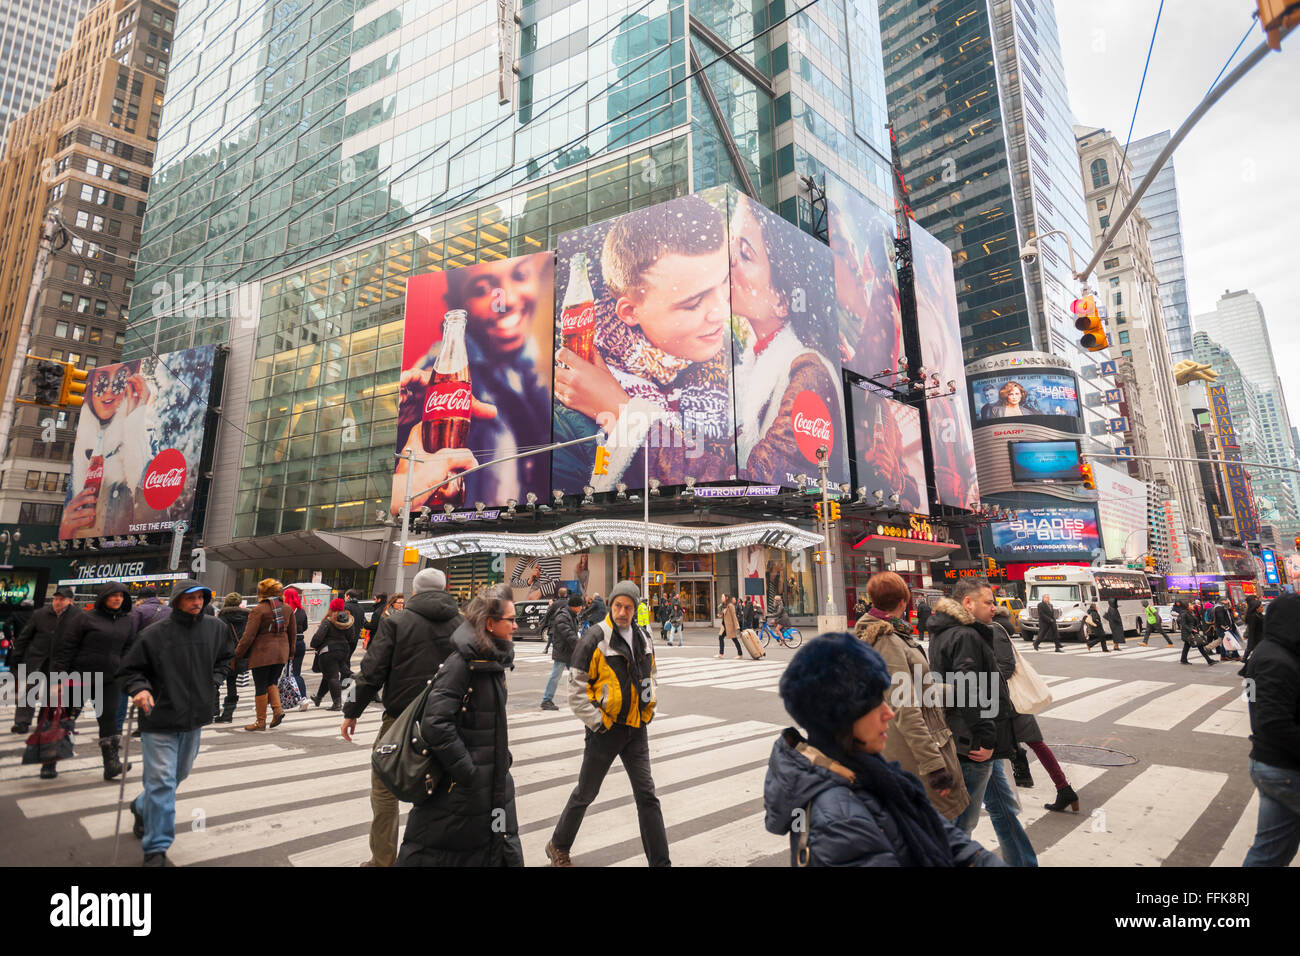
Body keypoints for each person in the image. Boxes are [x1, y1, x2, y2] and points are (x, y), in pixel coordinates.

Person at [764, 632, 1003, 867]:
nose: (888, 713)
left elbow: (948, 839)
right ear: (841, 716)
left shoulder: (871, 774)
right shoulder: (840, 820)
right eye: (874, 703)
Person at [553, 195, 735, 491]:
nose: (722, 312)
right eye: (693, 303)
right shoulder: (571, 404)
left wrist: (624, 414)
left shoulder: (743, 367)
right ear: (630, 312)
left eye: (724, 284)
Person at [394, 255, 551, 509]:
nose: (507, 301)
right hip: (463, 523)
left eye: (520, 276)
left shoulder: (525, 369)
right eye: (481, 289)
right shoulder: (436, 379)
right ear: (456, 304)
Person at [342, 567, 462, 867]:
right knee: (442, 789)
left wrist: (351, 712)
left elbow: (371, 672)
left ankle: (383, 859)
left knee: (384, 786)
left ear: (415, 591)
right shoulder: (462, 624)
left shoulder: (397, 621)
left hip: (400, 722)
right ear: (445, 589)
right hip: (449, 723)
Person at [397, 584, 522, 866]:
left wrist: (500, 758)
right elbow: (436, 722)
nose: (516, 625)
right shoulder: (463, 664)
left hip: (490, 783)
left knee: (497, 844)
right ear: (490, 623)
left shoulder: (490, 661)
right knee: (453, 852)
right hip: (466, 789)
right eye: (511, 619)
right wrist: (468, 770)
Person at [547, 580, 668, 867]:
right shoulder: (594, 637)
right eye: (618, 606)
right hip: (605, 731)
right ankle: (558, 845)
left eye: (628, 606)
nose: (622, 612)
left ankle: (661, 863)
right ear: (611, 605)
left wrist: (648, 708)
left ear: (635, 607)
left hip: (636, 729)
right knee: (586, 792)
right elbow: (576, 690)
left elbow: (650, 676)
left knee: (647, 796)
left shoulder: (643, 637)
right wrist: (598, 723)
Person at [727, 191, 843, 483]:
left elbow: (761, 477)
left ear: (782, 301)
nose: (729, 261)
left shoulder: (808, 375)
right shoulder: (745, 367)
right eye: (730, 245)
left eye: (744, 254)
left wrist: (638, 425)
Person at [118, 579, 235, 866]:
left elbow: (226, 658)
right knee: (161, 781)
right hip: (159, 719)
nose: (196, 603)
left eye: (201, 598)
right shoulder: (154, 634)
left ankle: (142, 806)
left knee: (177, 777)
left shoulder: (216, 628)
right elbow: (130, 671)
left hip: (194, 719)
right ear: (176, 600)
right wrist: (139, 689)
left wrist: (214, 680)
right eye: (190, 598)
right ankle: (156, 849)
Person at [927, 578, 1038, 867]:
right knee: (961, 823)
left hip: (974, 737)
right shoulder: (966, 635)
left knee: (1004, 808)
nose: (994, 607)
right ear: (968, 603)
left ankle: (1024, 863)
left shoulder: (948, 631)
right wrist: (987, 737)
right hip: (974, 742)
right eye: (988, 602)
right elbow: (967, 689)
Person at [854, 572, 969, 822]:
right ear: (903, 602)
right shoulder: (887, 639)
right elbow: (904, 704)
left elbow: (912, 687)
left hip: (904, 747)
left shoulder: (892, 635)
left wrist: (955, 691)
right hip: (911, 755)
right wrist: (934, 765)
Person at [991, 607, 1080, 814]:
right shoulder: (996, 627)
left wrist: (986, 684)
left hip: (1009, 700)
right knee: (1033, 744)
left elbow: (1006, 666)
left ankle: (1061, 788)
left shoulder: (993, 630)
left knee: (1002, 746)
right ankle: (1063, 788)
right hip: (1007, 699)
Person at [53, 581, 138, 780]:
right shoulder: (85, 618)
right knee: (67, 718)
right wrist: (59, 677)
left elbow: (129, 646)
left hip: (109, 680)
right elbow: (67, 648)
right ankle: (50, 760)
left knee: (108, 720)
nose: (118, 599)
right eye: (113, 595)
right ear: (104, 597)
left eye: (121, 596)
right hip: (80, 677)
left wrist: (122, 665)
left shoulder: (127, 621)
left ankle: (111, 764)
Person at [1242, 593, 1300, 866]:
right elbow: (1272, 722)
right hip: (1282, 767)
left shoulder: (1270, 652)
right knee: (1270, 851)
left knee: (1272, 848)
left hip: (1271, 764)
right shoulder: (1276, 660)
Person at [10, 588, 81, 739]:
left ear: (70, 601)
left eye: (62, 599)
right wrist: (17, 656)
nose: (57, 602)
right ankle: (22, 722)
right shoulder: (40, 614)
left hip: (60, 661)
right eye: (56, 599)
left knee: (52, 693)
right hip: (37, 658)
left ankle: (45, 722)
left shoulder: (77, 617)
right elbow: (25, 636)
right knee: (29, 690)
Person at [230, 578, 297, 731]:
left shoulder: (259, 609)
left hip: (263, 654)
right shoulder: (287, 609)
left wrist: (237, 656)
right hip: (281, 653)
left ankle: (260, 722)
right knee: (272, 681)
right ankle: (278, 710)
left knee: (260, 685)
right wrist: (291, 654)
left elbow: (248, 637)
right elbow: (293, 634)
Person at [308, 598, 354, 711]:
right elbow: (352, 637)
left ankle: (337, 703)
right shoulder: (349, 621)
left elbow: (318, 638)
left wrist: (313, 644)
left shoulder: (328, 621)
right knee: (329, 674)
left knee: (332, 676)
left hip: (328, 651)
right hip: (344, 650)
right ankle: (318, 698)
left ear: (331, 608)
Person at [541, 593, 582, 711]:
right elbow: (569, 634)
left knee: (577, 675)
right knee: (556, 676)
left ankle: (581, 698)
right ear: (574, 606)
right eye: (580, 606)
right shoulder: (563, 616)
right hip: (562, 651)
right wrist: (579, 646)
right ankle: (546, 700)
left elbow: (572, 634)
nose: (581, 608)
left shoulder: (571, 614)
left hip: (568, 651)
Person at [214, 593, 249, 723]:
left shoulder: (222, 618)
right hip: (239, 656)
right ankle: (228, 714)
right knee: (232, 683)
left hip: (223, 656)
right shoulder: (247, 617)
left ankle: (214, 709)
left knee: (214, 682)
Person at [282, 586, 309, 697]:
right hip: (300, 642)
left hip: (287, 643)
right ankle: (303, 696)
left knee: (286, 671)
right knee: (297, 672)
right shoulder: (302, 611)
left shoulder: (284, 610)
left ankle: (286, 696)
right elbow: (305, 626)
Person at [1177, 600, 1217, 666]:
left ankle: (1183, 659)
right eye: (1190, 605)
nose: (1192, 606)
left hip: (1193, 632)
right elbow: (1183, 624)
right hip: (1189, 633)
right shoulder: (1184, 614)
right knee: (1200, 645)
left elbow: (1195, 621)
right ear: (1187, 607)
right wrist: (1191, 629)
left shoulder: (1191, 612)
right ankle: (1209, 660)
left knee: (1187, 647)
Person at [540, 586, 569, 655]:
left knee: (553, 638)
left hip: (556, 624)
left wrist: (544, 623)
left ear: (558, 595)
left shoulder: (555, 604)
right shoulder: (569, 603)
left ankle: (550, 649)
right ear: (566, 594)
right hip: (566, 624)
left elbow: (548, 614)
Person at [343, 589, 365, 677]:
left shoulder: (345, 606)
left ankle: (347, 676)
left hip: (345, 638)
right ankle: (345, 679)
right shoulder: (361, 608)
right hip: (355, 638)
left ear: (348, 596)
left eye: (344, 596)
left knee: (343, 660)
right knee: (347, 659)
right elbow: (363, 622)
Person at [718, 595, 743, 659]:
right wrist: (721, 615)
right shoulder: (724, 606)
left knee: (734, 639)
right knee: (720, 637)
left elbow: (734, 616)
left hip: (730, 626)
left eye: (722, 597)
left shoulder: (730, 606)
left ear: (726, 598)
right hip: (724, 625)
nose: (721, 598)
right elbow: (724, 615)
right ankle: (721, 653)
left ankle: (740, 654)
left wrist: (737, 625)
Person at [1242, 596, 1266, 662]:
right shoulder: (1253, 617)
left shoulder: (1259, 615)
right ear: (1256, 608)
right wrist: (1247, 636)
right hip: (1257, 637)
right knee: (1252, 649)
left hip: (1260, 636)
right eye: (1261, 607)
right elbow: (1251, 629)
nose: (1262, 608)